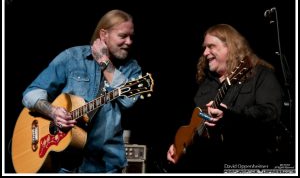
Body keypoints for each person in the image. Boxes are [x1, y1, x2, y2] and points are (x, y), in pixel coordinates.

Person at [22, 9, 142, 173]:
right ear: (103, 34)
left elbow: (128, 101)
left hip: (105, 165)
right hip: (63, 163)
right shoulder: (72, 57)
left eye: (132, 36)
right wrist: (53, 112)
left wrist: (104, 62)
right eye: (123, 36)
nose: (129, 42)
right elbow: (31, 93)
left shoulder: (132, 69)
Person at [167, 24, 283, 173]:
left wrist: (231, 114)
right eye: (205, 47)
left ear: (231, 47)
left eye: (211, 46)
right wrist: (178, 146)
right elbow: (192, 124)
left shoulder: (261, 75)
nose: (205, 52)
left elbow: (271, 112)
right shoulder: (206, 84)